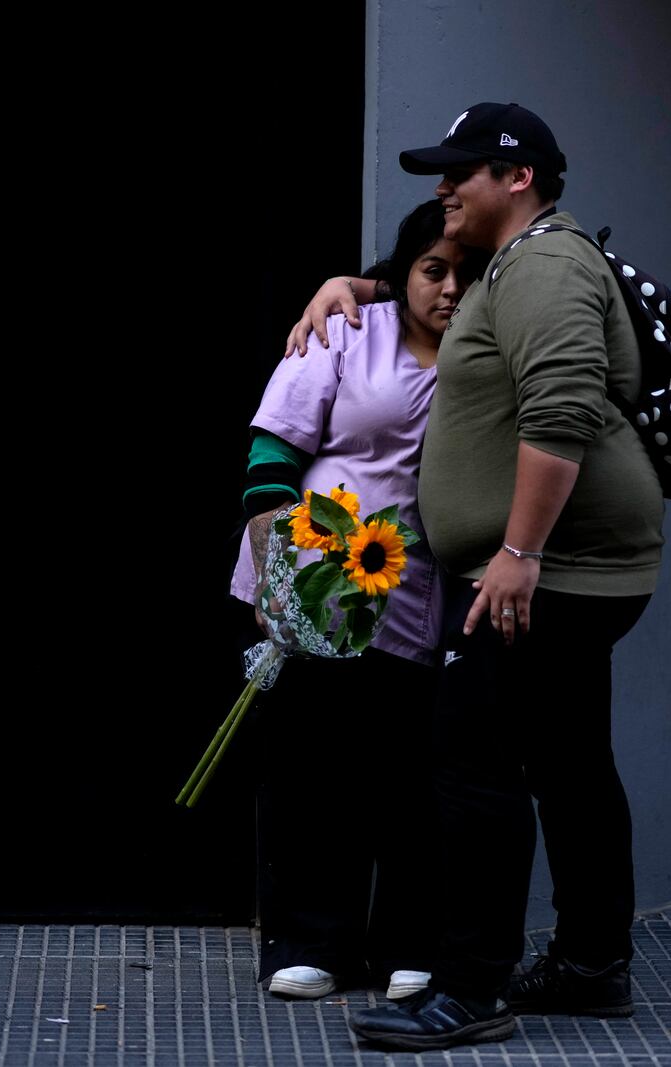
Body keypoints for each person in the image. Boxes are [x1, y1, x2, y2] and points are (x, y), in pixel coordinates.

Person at [307, 102, 665, 1051]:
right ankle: (592, 966)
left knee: (472, 758)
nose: (442, 187)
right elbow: (447, 306)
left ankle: (470, 985)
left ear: (517, 179)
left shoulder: (544, 264)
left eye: (460, 171)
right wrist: (346, 285)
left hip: (549, 571)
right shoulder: (524, 261)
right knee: (569, 763)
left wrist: (517, 553)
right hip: (570, 567)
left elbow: (561, 409)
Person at [230, 199, 485, 1003]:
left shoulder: (487, 353)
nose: (448, 289)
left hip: (417, 594)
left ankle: (409, 942)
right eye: (432, 270)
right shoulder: (342, 331)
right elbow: (273, 451)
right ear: (400, 271)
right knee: (310, 767)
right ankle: (308, 942)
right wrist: (278, 583)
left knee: (411, 774)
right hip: (315, 581)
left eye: (466, 274)